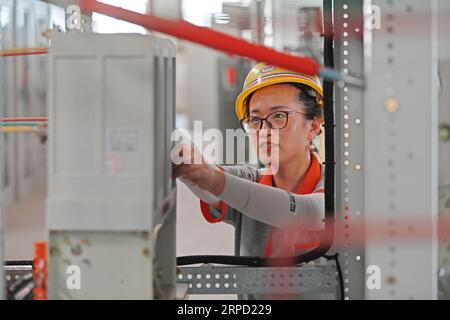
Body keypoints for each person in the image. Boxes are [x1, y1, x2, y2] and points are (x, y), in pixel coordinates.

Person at [173, 62, 325, 298]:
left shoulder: (337, 187)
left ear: (313, 126)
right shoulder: (250, 180)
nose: (263, 130)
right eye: (255, 120)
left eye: (278, 116)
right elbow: (211, 190)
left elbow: (307, 212)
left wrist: (212, 178)